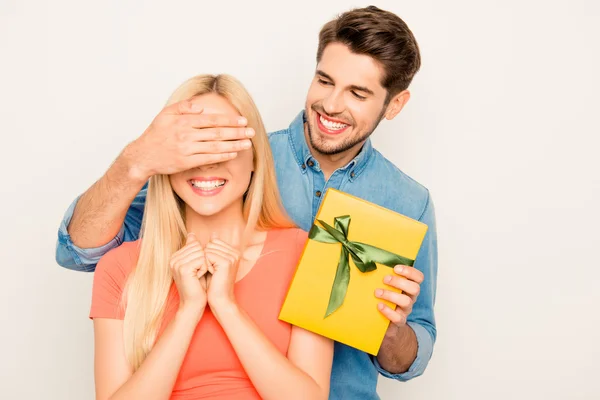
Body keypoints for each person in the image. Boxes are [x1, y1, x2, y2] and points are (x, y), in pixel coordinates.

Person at [56, 6, 438, 399]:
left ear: (395, 104)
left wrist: (389, 329)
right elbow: (83, 252)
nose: (332, 104)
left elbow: (413, 351)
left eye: (358, 93)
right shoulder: (233, 155)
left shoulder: (408, 203)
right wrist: (136, 161)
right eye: (324, 81)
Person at [89, 74, 333, 399]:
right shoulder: (119, 267)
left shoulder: (309, 253)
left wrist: (225, 305)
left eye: (224, 145)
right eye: (194, 146)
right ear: (166, 162)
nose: (207, 163)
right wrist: (189, 310)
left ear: (255, 159)